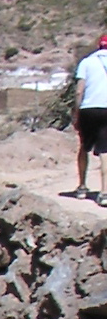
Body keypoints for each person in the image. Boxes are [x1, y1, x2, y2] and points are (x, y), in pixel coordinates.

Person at [68, 33, 107, 204]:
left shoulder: (87, 62)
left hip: (88, 109)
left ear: (99, 45)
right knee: (105, 150)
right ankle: (105, 192)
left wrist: (77, 112)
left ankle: (82, 186)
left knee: (84, 147)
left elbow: (79, 90)